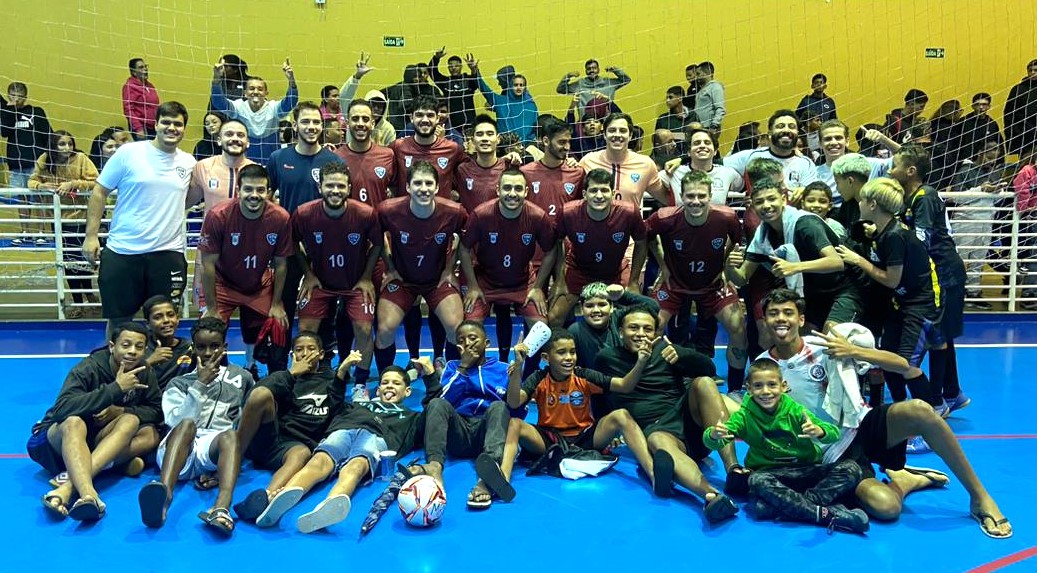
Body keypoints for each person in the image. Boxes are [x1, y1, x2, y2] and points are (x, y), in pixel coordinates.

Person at [758, 288, 1012, 539]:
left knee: (920, 411)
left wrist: (854, 351)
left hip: (861, 425)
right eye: (773, 313)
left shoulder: (826, 345)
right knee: (887, 507)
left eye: (788, 313)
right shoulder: (763, 368)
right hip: (831, 454)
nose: (781, 318)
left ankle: (980, 498)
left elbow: (902, 365)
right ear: (765, 320)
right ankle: (905, 481)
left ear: (801, 319)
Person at [247, 356, 438, 533]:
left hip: (376, 438)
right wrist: (342, 371)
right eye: (385, 382)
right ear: (378, 389)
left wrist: (430, 376)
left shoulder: (412, 417)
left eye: (396, 383)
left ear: (407, 391)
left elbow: (434, 412)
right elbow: (335, 401)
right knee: (318, 461)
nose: (389, 386)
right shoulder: (356, 405)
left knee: (356, 466)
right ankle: (282, 498)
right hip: (344, 430)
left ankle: (329, 506)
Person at [593, 305, 741, 523]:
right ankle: (712, 496)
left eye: (647, 329)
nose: (640, 334)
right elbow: (599, 395)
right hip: (659, 431)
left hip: (691, 424)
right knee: (657, 439)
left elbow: (708, 369)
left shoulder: (667, 350)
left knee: (704, 383)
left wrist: (683, 355)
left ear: (655, 333)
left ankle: (734, 470)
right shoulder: (606, 358)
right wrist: (608, 430)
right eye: (633, 328)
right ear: (621, 331)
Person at [704, 358, 869, 533]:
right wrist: (713, 435)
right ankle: (825, 515)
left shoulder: (796, 411)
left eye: (772, 385)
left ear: (783, 386)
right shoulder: (743, 417)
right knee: (756, 480)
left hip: (806, 470)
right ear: (749, 389)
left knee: (852, 468)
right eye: (758, 386)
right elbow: (712, 441)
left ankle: (788, 506)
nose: (766, 391)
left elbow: (834, 433)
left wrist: (820, 431)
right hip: (771, 476)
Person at [82, 101, 195, 340]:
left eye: (177, 124)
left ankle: (160, 364)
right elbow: (99, 191)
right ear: (156, 124)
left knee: (164, 321)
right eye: (166, 122)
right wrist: (91, 236)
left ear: (184, 129)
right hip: (123, 251)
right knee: (119, 321)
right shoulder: (128, 153)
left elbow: (189, 198)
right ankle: (115, 364)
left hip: (167, 253)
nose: (171, 128)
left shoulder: (188, 163)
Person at [833, 178, 945, 414]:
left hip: (920, 305)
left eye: (863, 200)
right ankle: (901, 410)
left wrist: (858, 260)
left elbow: (891, 279)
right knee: (888, 359)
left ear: (872, 204)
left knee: (906, 365)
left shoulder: (895, 236)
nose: (859, 203)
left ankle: (931, 415)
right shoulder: (884, 231)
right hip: (901, 303)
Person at [28, 322, 161, 521]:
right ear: (112, 346)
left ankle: (68, 485)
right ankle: (89, 493)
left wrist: (121, 410)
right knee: (74, 422)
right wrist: (115, 389)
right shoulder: (89, 367)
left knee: (139, 426)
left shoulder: (144, 371)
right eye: (126, 345)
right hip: (54, 444)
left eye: (139, 347)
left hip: (94, 443)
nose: (132, 351)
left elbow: (156, 410)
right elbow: (61, 410)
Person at [138, 317, 254, 534]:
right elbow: (174, 421)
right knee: (187, 425)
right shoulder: (179, 382)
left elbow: (247, 419)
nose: (208, 353)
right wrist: (200, 384)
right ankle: (164, 497)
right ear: (193, 348)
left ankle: (221, 509)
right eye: (201, 347)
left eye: (215, 346)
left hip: (210, 451)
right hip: (178, 449)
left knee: (229, 435)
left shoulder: (243, 378)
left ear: (225, 347)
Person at [505, 329, 660, 481]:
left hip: (585, 438)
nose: (569, 358)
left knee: (621, 415)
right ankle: (504, 477)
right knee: (515, 424)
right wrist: (517, 369)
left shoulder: (584, 375)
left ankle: (653, 472)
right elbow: (514, 402)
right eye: (561, 352)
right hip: (550, 441)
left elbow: (625, 386)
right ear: (546, 358)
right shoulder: (539, 378)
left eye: (572, 352)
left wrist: (641, 362)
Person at [648, 170, 748, 395]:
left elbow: (735, 241)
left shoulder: (727, 217)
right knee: (651, 326)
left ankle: (734, 390)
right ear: (681, 196)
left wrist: (724, 266)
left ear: (710, 195)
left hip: (712, 285)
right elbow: (648, 237)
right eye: (690, 196)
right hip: (675, 283)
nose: (696, 201)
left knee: (738, 327)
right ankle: (657, 384)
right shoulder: (664, 217)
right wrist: (663, 265)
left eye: (701, 195)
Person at [231, 332, 347, 524]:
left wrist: (341, 376)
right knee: (261, 395)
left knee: (301, 453)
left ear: (321, 354)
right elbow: (253, 397)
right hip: (269, 439)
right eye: (299, 350)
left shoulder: (332, 381)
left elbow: (336, 411)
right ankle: (234, 460)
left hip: (292, 449)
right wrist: (292, 373)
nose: (305, 354)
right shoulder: (284, 377)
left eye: (311, 349)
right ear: (293, 355)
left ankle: (267, 497)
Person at [890, 145, 969, 417]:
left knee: (938, 336)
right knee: (941, 335)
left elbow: (922, 239)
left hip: (945, 273)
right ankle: (952, 392)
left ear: (910, 171)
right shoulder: (910, 196)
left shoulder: (925, 197)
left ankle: (938, 399)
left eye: (895, 166)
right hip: (936, 272)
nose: (890, 171)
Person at [725, 178, 859, 333]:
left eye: (771, 199)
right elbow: (742, 278)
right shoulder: (762, 234)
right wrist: (729, 267)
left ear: (783, 200)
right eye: (759, 202)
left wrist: (794, 267)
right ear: (753, 206)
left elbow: (836, 262)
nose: (766, 205)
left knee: (833, 333)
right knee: (799, 337)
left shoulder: (805, 224)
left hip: (845, 288)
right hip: (815, 294)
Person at [267, 101, 343, 368]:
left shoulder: (333, 160)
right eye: (306, 122)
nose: (311, 127)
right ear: (296, 125)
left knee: (325, 305)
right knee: (283, 304)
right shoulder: (278, 158)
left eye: (316, 123)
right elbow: (267, 198)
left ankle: (324, 362)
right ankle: (279, 366)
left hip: (323, 247)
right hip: (288, 247)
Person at [293, 162, 382, 390]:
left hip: (354, 284)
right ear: (320, 187)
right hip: (320, 283)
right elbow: (292, 242)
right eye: (330, 185)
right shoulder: (304, 213)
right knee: (306, 330)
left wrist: (366, 277)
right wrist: (308, 274)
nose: (335, 190)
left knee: (364, 329)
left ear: (349, 188)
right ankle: (307, 378)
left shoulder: (365, 214)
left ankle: (360, 384)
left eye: (341, 186)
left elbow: (378, 244)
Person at [373, 161, 467, 372]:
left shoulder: (454, 211)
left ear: (437, 187)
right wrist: (390, 267)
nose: (423, 188)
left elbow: (466, 239)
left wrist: (450, 269)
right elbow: (377, 238)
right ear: (408, 187)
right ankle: (385, 377)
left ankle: (451, 375)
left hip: (437, 280)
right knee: (385, 330)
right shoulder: (388, 210)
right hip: (402, 280)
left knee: (456, 328)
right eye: (417, 183)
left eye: (428, 183)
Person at [198, 164, 291, 375]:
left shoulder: (280, 218)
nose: (254, 195)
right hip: (223, 284)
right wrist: (211, 308)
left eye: (260, 190)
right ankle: (218, 375)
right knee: (209, 330)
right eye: (248, 189)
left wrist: (277, 304)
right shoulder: (218, 215)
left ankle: (255, 368)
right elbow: (207, 264)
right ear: (238, 191)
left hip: (258, 285)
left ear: (268, 191)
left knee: (278, 325)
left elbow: (281, 264)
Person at [416, 321, 518, 509]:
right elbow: (444, 398)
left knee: (498, 406)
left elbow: (514, 409)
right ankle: (434, 467)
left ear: (487, 343)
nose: (468, 343)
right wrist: (464, 367)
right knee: (436, 403)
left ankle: (488, 474)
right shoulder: (452, 366)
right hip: (458, 431)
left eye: (473, 338)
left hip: (486, 433)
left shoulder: (503, 369)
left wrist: (516, 378)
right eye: (462, 340)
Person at [459, 168, 557, 354]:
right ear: (498, 190)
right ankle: (479, 368)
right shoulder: (481, 214)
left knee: (542, 330)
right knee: (469, 332)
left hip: (522, 282)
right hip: (486, 282)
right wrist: (472, 286)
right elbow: (463, 248)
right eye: (507, 188)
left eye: (518, 188)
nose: (512, 193)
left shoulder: (537, 216)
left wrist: (538, 287)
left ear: (526, 192)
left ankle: (523, 368)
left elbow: (551, 250)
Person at [549, 169, 647, 326]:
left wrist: (634, 281)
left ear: (613, 193)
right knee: (554, 317)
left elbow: (642, 242)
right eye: (594, 190)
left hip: (615, 272)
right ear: (584, 194)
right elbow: (557, 241)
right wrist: (559, 280)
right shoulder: (568, 212)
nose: (599, 196)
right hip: (578, 271)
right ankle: (566, 341)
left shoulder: (629, 212)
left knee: (636, 318)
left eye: (604, 190)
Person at [28, 130, 99, 317]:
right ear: (53, 146)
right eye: (62, 144)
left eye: (70, 143)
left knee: (84, 260)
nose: (67, 148)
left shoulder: (81, 158)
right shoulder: (45, 159)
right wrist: (41, 186)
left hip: (82, 218)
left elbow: (96, 181)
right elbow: (31, 181)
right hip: (59, 220)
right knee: (68, 263)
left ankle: (89, 295)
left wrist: (74, 184)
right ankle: (78, 302)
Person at [949, 139, 1007, 309]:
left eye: (994, 160)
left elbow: (997, 200)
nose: (991, 162)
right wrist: (981, 189)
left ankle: (973, 292)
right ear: (980, 153)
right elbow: (955, 197)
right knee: (960, 259)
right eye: (989, 158)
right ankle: (955, 292)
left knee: (978, 260)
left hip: (987, 220)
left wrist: (998, 192)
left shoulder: (994, 172)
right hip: (966, 221)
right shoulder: (965, 170)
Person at [211, 57, 298, 163]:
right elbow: (218, 102)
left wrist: (291, 81)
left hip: (271, 160)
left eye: (260, 89)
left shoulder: (273, 108)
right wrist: (216, 79)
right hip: (244, 161)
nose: (256, 92)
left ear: (266, 93)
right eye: (251, 89)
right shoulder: (238, 107)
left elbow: (291, 102)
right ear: (245, 93)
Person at [580, 112, 671, 209]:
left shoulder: (645, 164)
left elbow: (668, 199)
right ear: (605, 135)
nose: (617, 134)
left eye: (622, 131)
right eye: (612, 130)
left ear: (630, 135)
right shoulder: (588, 161)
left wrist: (680, 162)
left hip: (631, 219)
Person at [1, 81, 52, 246]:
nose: (16, 98)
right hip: (16, 164)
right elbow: (4, 132)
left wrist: (47, 160)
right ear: (8, 96)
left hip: (35, 163)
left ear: (25, 96)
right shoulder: (7, 113)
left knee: (39, 197)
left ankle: (42, 232)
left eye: (20, 95)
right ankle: (25, 231)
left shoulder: (36, 112)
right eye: (13, 95)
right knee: (21, 198)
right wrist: (10, 109)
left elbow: (48, 134)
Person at [389, 95, 465, 200]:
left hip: (441, 210)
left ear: (437, 118)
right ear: (411, 118)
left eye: (430, 115)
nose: (425, 120)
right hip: (405, 210)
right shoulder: (397, 147)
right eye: (419, 115)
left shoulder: (453, 149)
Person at [723, 109, 818, 192]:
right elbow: (717, 166)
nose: (786, 130)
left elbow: (811, 195)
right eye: (780, 126)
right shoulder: (751, 156)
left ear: (797, 133)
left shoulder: (806, 164)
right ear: (770, 133)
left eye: (792, 127)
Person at [814, 120, 897, 206]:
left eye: (838, 138)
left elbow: (904, 159)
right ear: (820, 144)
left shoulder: (866, 164)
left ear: (847, 141)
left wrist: (884, 140)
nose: (833, 142)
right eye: (828, 139)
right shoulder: (813, 173)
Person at [333, 98, 397, 208]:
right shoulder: (336, 157)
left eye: (365, 119)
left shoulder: (388, 155)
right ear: (347, 123)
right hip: (349, 219)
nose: (360, 124)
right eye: (355, 119)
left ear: (372, 124)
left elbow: (395, 189)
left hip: (379, 219)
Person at [471, 56, 538, 145]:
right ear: (510, 85)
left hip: (526, 148)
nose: (518, 87)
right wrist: (475, 71)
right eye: (515, 85)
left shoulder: (531, 105)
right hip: (503, 146)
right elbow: (484, 88)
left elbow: (535, 128)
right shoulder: (500, 101)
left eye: (521, 85)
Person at [669, 128, 742, 206]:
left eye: (707, 143)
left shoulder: (727, 173)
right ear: (689, 152)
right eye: (697, 143)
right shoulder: (673, 172)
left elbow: (748, 187)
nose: (702, 146)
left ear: (715, 151)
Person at [141, 294, 195, 391]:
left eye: (170, 315)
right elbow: (126, 381)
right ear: (148, 324)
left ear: (177, 319)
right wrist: (149, 362)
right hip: (151, 399)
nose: (166, 320)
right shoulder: (141, 349)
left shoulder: (190, 347)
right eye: (158, 317)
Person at [454, 114, 506, 213]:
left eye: (490, 134)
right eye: (479, 134)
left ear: (498, 139)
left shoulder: (508, 168)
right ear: (473, 140)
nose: (485, 138)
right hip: (470, 223)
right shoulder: (462, 170)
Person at [556, 59, 633, 116]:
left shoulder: (608, 83)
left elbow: (626, 80)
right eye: (589, 69)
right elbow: (560, 89)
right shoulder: (579, 84)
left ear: (598, 69)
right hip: (586, 124)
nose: (591, 70)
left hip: (607, 124)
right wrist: (568, 76)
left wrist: (615, 70)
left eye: (594, 68)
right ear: (585, 71)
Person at [429, 47, 479, 131]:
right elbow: (431, 71)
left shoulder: (468, 80)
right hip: (451, 125)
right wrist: (436, 58)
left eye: (456, 65)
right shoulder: (445, 82)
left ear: (461, 66)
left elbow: (478, 82)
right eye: (450, 66)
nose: (453, 68)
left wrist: (474, 69)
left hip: (469, 123)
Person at [1004, 59, 1037, 156]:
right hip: (1025, 136)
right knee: (1026, 163)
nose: (1033, 73)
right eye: (1030, 70)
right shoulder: (1018, 89)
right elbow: (1009, 113)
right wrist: (1016, 133)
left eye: (1036, 70)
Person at [122, 58, 160, 140]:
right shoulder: (130, 86)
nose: (145, 69)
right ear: (134, 72)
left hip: (153, 127)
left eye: (145, 66)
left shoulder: (150, 85)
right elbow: (128, 110)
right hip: (142, 129)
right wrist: (138, 128)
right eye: (141, 67)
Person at [693, 62, 726, 138]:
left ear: (707, 73)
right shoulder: (702, 89)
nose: (696, 77)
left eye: (698, 74)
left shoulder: (715, 87)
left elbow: (720, 108)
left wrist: (714, 125)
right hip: (701, 127)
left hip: (710, 127)